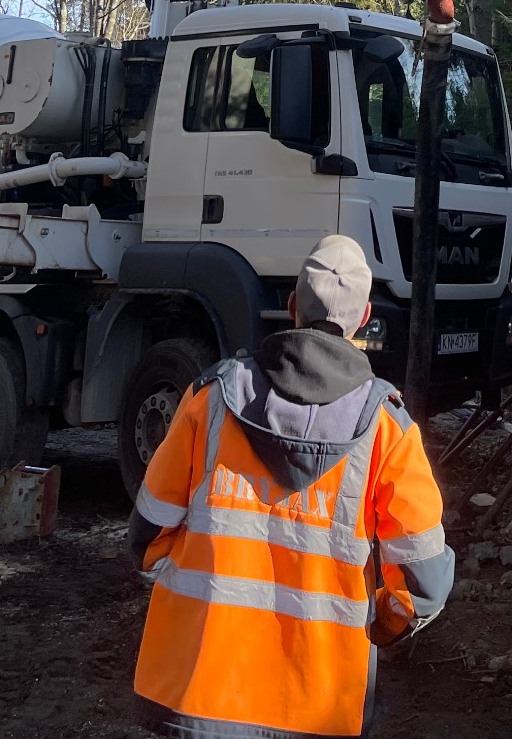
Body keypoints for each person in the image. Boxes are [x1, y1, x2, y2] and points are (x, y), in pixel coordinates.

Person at [129, 234, 455, 738]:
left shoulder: (211, 399)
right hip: (321, 704)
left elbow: (148, 536)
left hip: (198, 692)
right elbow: (424, 584)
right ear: (366, 316)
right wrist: (380, 625)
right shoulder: (387, 429)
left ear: (290, 306)